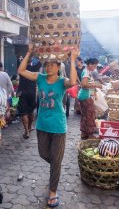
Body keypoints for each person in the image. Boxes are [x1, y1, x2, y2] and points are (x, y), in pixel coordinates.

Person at [18, 44, 78, 208]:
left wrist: (72, 60)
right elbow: (21, 71)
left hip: (58, 127)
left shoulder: (62, 81)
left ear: (59, 67)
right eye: (47, 64)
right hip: (42, 125)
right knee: (44, 154)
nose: (49, 66)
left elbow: (73, 81)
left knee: (56, 162)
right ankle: (55, 167)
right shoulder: (40, 77)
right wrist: (29, 52)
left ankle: (53, 190)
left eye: (53, 64)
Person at [77, 58, 103, 140]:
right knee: (90, 116)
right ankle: (90, 135)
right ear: (90, 64)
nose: (95, 68)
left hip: (84, 96)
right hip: (85, 96)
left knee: (85, 115)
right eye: (94, 66)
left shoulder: (88, 71)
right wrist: (96, 85)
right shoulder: (86, 72)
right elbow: (83, 84)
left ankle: (84, 133)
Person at [17, 57, 41, 139]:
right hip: (32, 93)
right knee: (31, 111)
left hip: (22, 93)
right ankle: (30, 127)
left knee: (24, 113)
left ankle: (26, 131)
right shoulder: (34, 68)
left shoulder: (21, 70)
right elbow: (41, 61)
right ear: (31, 62)